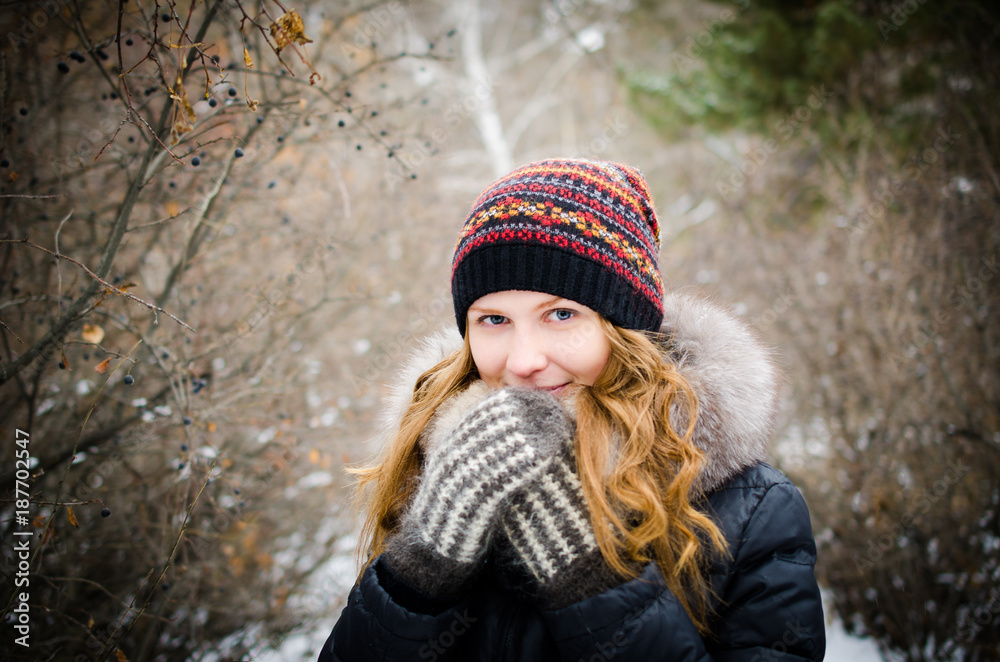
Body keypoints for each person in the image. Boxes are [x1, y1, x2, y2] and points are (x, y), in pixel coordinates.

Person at [317, 158, 826, 661]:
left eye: (561, 314)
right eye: (493, 319)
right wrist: (424, 562)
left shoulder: (754, 509)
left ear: (625, 327)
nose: (524, 361)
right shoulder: (431, 468)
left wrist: (591, 578)